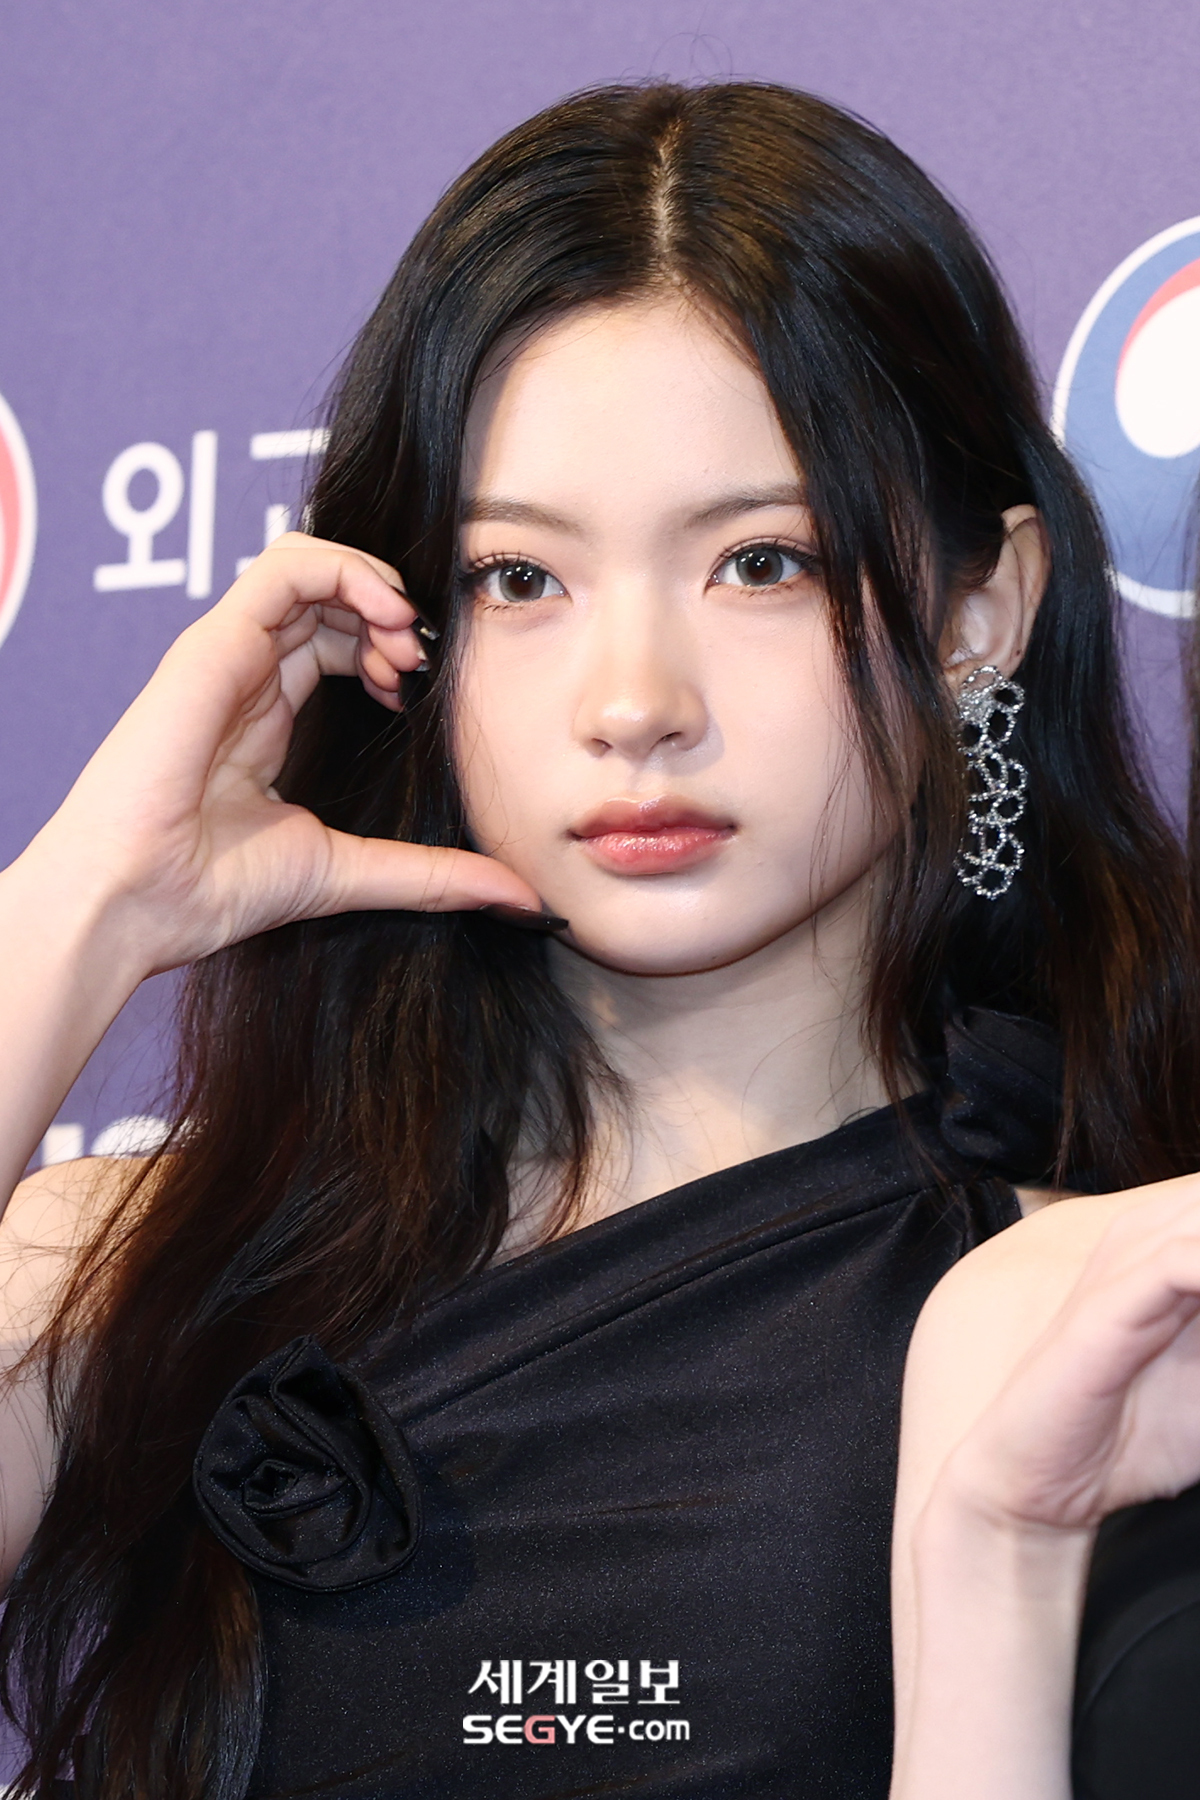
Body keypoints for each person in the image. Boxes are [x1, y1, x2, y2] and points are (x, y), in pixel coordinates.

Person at [0, 81, 1196, 1800]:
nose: (635, 704)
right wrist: (83, 904)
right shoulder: (123, 1277)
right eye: (521, 580)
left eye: (762, 562)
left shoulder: (1097, 1333)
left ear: (977, 613)